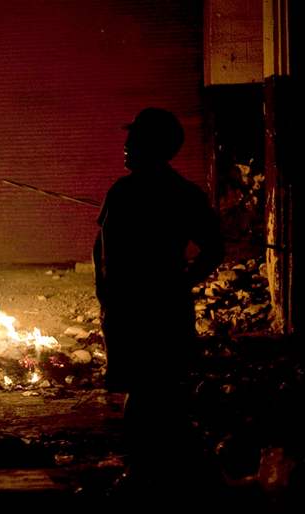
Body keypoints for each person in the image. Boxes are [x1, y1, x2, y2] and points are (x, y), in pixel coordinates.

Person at [93, 108, 224, 493]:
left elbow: (213, 248)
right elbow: (101, 247)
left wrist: (179, 282)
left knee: (151, 393)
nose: (126, 147)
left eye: (134, 141)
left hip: (143, 309)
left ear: (154, 147)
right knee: (154, 389)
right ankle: (156, 475)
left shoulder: (150, 193)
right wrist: (183, 281)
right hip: (146, 307)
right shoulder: (154, 192)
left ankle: (150, 477)